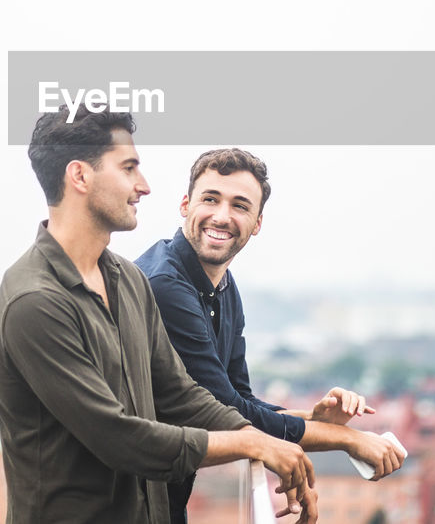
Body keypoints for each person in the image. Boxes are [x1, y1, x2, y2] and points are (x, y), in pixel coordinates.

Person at [0, 109, 317, 524]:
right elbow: (119, 437)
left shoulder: (128, 279)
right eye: (129, 169)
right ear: (80, 176)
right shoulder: (34, 301)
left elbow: (182, 393)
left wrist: (259, 438)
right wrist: (255, 446)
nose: (143, 186)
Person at [136, 147, 407, 523]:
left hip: (163, 498)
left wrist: (314, 420)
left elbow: (239, 399)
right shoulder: (165, 285)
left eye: (240, 205)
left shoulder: (224, 288)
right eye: (210, 199)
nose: (222, 215)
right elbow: (222, 413)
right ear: (185, 204)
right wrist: (348, 440)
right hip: (126, 499)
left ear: (257, 223)